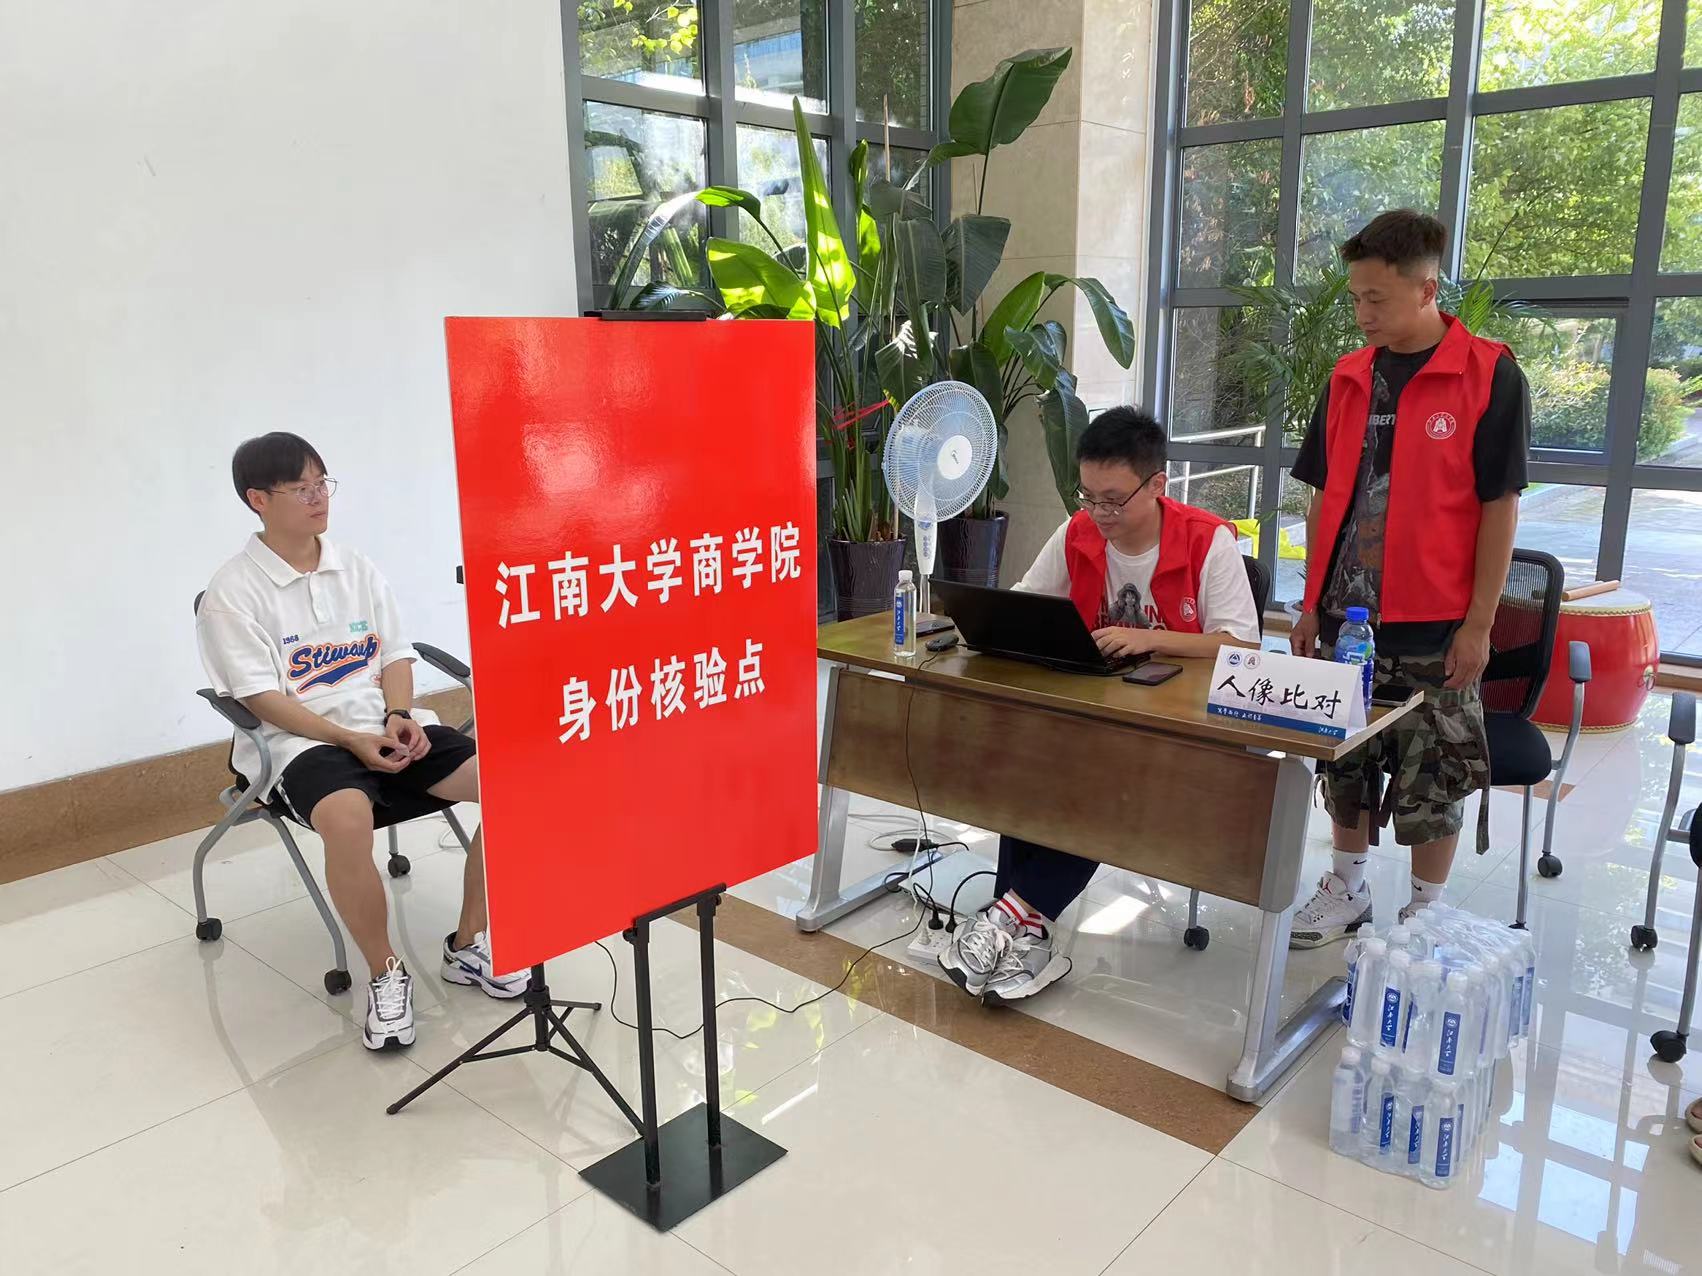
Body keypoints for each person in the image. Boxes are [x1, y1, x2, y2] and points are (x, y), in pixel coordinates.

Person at [197, 433, 528, 1051]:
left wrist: (398, 713)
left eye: (322, 484)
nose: (318, 498)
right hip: (300, 744)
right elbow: (261, 699)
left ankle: (467, 944)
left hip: (384, 726)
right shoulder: (232, 592)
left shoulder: (356, 567)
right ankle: (385, 972)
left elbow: (396, 653)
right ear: (258, 500)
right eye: (301, 489)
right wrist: (348, 739)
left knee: (513, 787)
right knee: (348, 819)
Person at [939, 407, 1262, 1003]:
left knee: (1094, 780)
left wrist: (1147, 638)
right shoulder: (1078, 531)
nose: (1099, 513)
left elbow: (1241, 647)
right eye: (1088, 497)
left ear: (1157, 484)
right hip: (1098, 715)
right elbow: (1023, 602)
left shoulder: (1206, 540)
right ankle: (1022, 928)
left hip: (1178, 732)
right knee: (1031, 765)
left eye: (1113, 500)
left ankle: (1010, 916)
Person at [1287, 209, 1530, 948]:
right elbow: (1323, 497)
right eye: (1356, 297)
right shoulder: (1348, 376)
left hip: (1436, 622)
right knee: (1346, 758)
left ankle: (1427, 910)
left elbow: (1499, 507)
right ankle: (1348, 888)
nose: (1362, 314)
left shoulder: (1488, 374)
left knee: (1435, 771)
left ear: (1426, 290)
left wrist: (1479, 623)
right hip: (1346, 618)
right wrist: (1309, 605)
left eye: (1377, 299)